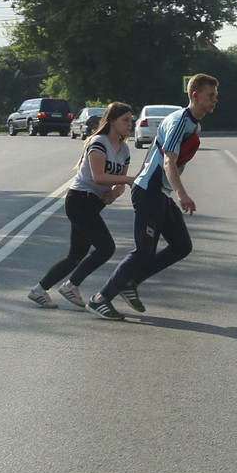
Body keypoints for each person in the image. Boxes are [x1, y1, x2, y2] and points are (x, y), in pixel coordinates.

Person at [86, 73, 220, 321]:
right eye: (211, 95)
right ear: (195, 95)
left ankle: (131, 283)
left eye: (216, 95)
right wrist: (182, 193)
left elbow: (161, 153)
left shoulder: (193, 124)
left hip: (160, 192)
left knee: (182, 246)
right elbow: (169, 160)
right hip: (149, 191)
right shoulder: (181, 121)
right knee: (142, 252)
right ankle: (101, 299)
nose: (215, 100)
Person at [26, 102, 135, 309]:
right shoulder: (99, 142)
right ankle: (71, 285)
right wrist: (127, 181)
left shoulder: (124, 148)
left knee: (75, 255)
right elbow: (98, 176)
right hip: (79, 200)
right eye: (126, 120)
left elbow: (118, 182)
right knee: (106, 248)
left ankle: (39, 290)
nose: (130, 124)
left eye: (131, 120)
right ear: (112, 121)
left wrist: (115, 192)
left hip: (93, 203)